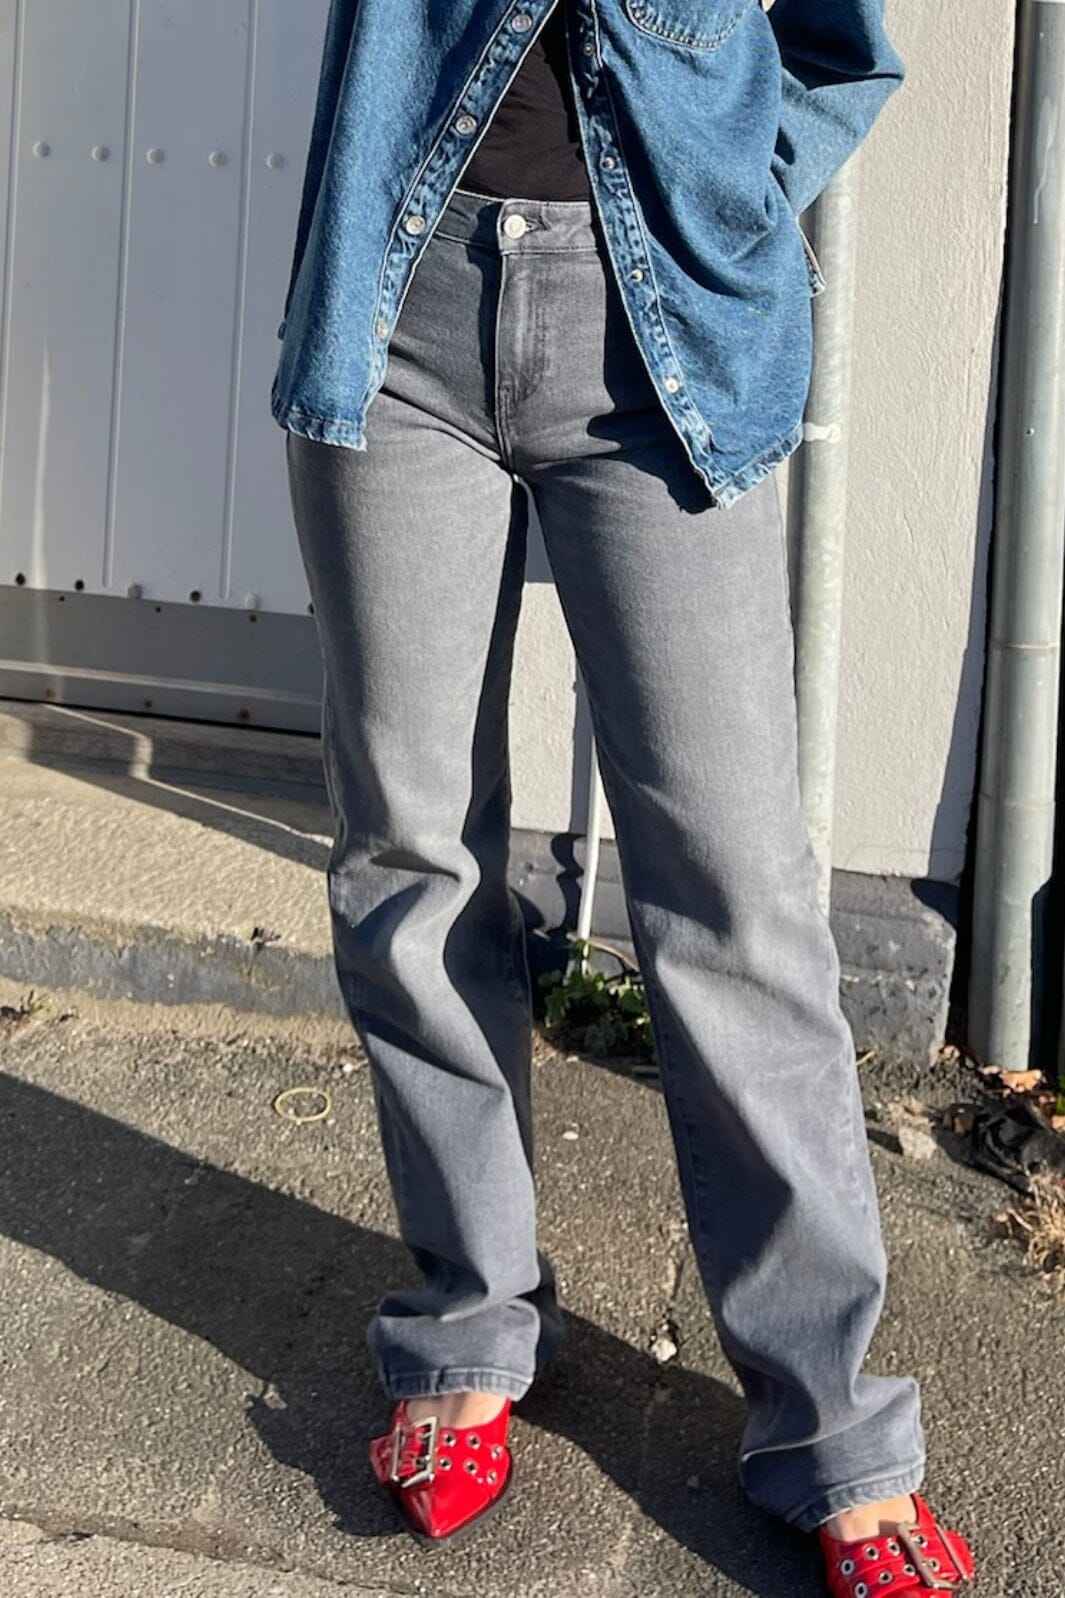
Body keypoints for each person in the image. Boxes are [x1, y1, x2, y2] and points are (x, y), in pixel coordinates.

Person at [275, 2, 976, 1591]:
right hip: (398, 295)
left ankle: (830, 1426)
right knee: (409, 858)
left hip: (660, 334)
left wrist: (715, 199)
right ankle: (464, 1321)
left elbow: (841, 51)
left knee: (733, 889)